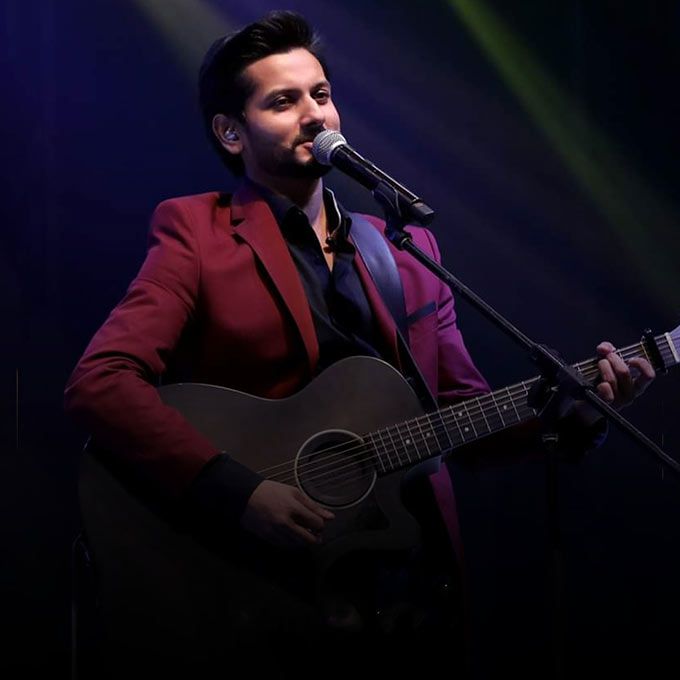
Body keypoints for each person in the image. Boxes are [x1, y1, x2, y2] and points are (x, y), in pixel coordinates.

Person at [64, 10, 655, 678]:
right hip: (264, 591)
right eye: (283, 102)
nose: (314, 115)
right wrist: (239, 492)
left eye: (320, 94)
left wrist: (574, 413)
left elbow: (460, 419)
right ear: (231, 132)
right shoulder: (197, 232)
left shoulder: (406, 251)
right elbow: (100, 383)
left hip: (408, 592)